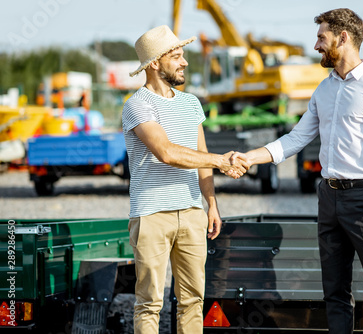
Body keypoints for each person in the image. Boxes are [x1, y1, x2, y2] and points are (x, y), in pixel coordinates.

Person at [232, 8, 363, 334]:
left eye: (321, 38)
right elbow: (296, 138)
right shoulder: (324, 90)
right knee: (335, 294)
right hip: (328, 198)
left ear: (343, 38)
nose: (316, 46)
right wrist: (249, 157)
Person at [122, 25, 247, 334]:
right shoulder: (137, 104)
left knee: (193, 300)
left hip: (192, 213)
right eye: (176, 56)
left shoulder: (191, 103)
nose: (184, 62)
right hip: (151, 214)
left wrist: (212, 205)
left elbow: (199, 154)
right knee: (150, 302)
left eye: (182, 55)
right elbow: (166, 152)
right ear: (154, 63)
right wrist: (221, 161)